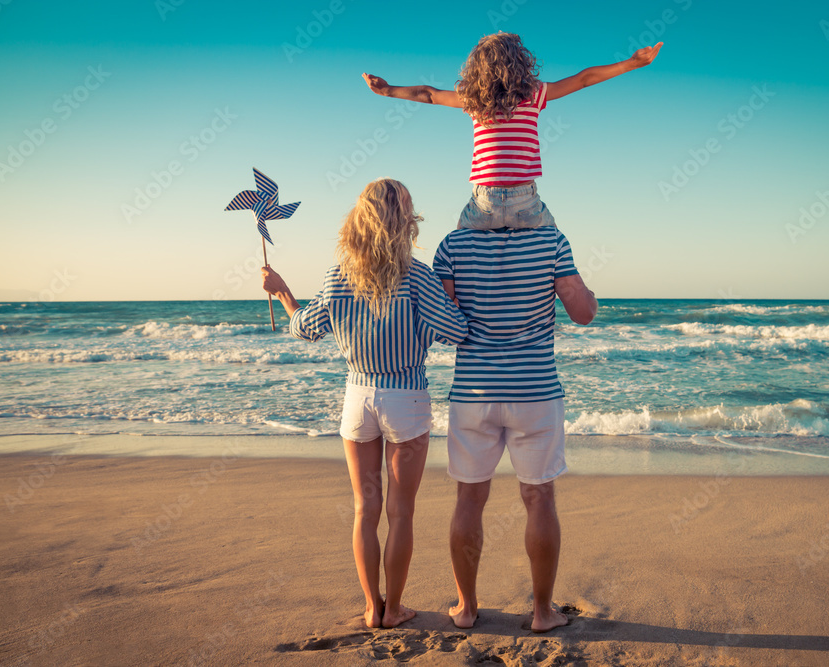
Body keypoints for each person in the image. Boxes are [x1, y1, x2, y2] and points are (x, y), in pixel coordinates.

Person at [261, 178, 467, 629]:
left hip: (357, 397)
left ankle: (373, 608)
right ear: (404, 221)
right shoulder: (416, 276)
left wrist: (281, 292)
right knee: (401, 512)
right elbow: (457, 330)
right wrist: (452, 296)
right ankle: (395, 608)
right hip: (406, 397)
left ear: (359, 219)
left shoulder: (340, 275)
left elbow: (304, 327)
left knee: (364, 510)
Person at [433, 222, 597, 632]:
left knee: (469, 500)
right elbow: (584, 313)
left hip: (473, 394)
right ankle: (543, 613)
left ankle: (467, 609)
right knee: (539, 498)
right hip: (535, 392)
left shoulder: (452, 245)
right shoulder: (552, 240)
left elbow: (443, 325)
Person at [363, 33, 662, 231]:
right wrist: (632, 64)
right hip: (526, 203)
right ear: (520, 62)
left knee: (454, 255)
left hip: (484, 203)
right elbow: (584, 79)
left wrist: (388, 91)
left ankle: (450, 315)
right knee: (556, 249)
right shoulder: (534, 93)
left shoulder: (473, 99)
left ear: (476, 68)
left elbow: (428, 94)